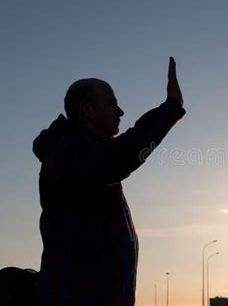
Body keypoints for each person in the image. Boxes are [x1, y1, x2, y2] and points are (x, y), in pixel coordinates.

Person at [32, 57, 186, 306]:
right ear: (87, 109)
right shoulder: (69, 154)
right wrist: (171, 109)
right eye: (112, 103)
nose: (120, 111)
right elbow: (123, 155)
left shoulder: (83, 152)